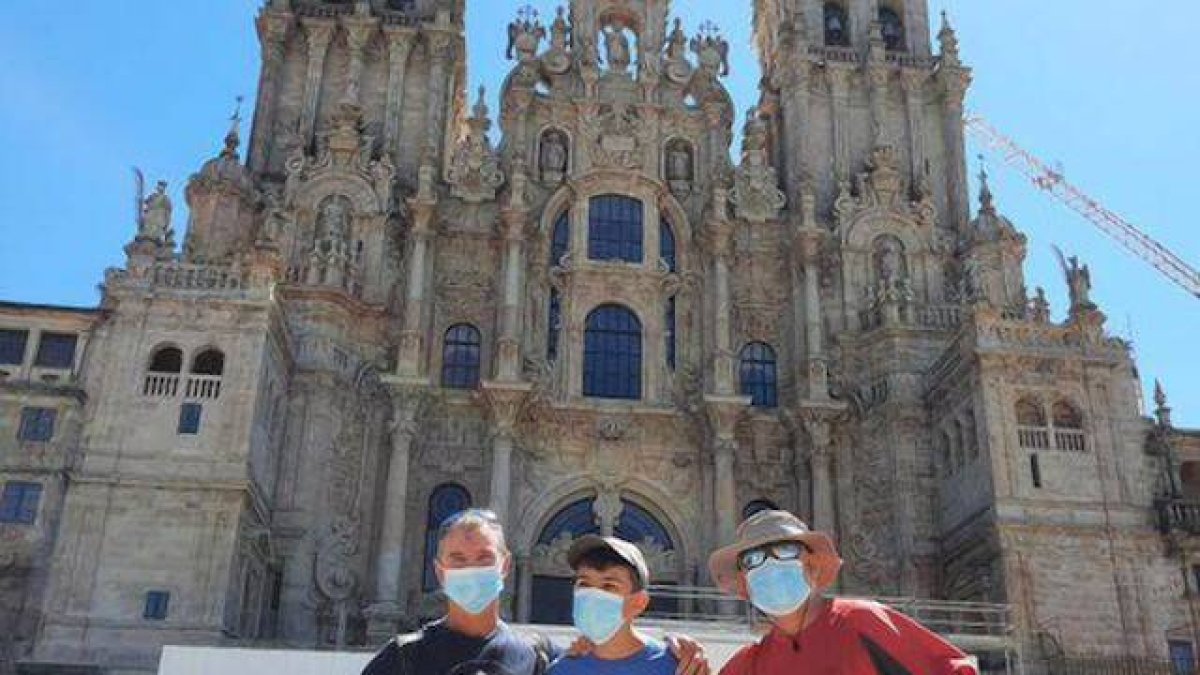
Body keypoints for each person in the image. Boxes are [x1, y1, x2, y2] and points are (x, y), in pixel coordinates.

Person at [362, 509, 710, 675]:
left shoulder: (542, 659)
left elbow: (612, 651)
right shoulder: (401, 660)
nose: (471, 569)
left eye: (484, 558)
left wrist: (675, 645)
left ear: (506, 566)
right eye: (458, 559)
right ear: (439, 571)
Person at [709, 510, 978, 675]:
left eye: (785, 551)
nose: (770, 565)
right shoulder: (748, 666)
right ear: (744, 584)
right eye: (753, 559)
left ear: (813, 566)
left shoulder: (860, 622)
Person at [547, 535, 678, 675]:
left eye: (608, 586)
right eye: (584, 584)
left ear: (639, 602)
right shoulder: (561, 669)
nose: (592, 595)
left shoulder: (679, 668)